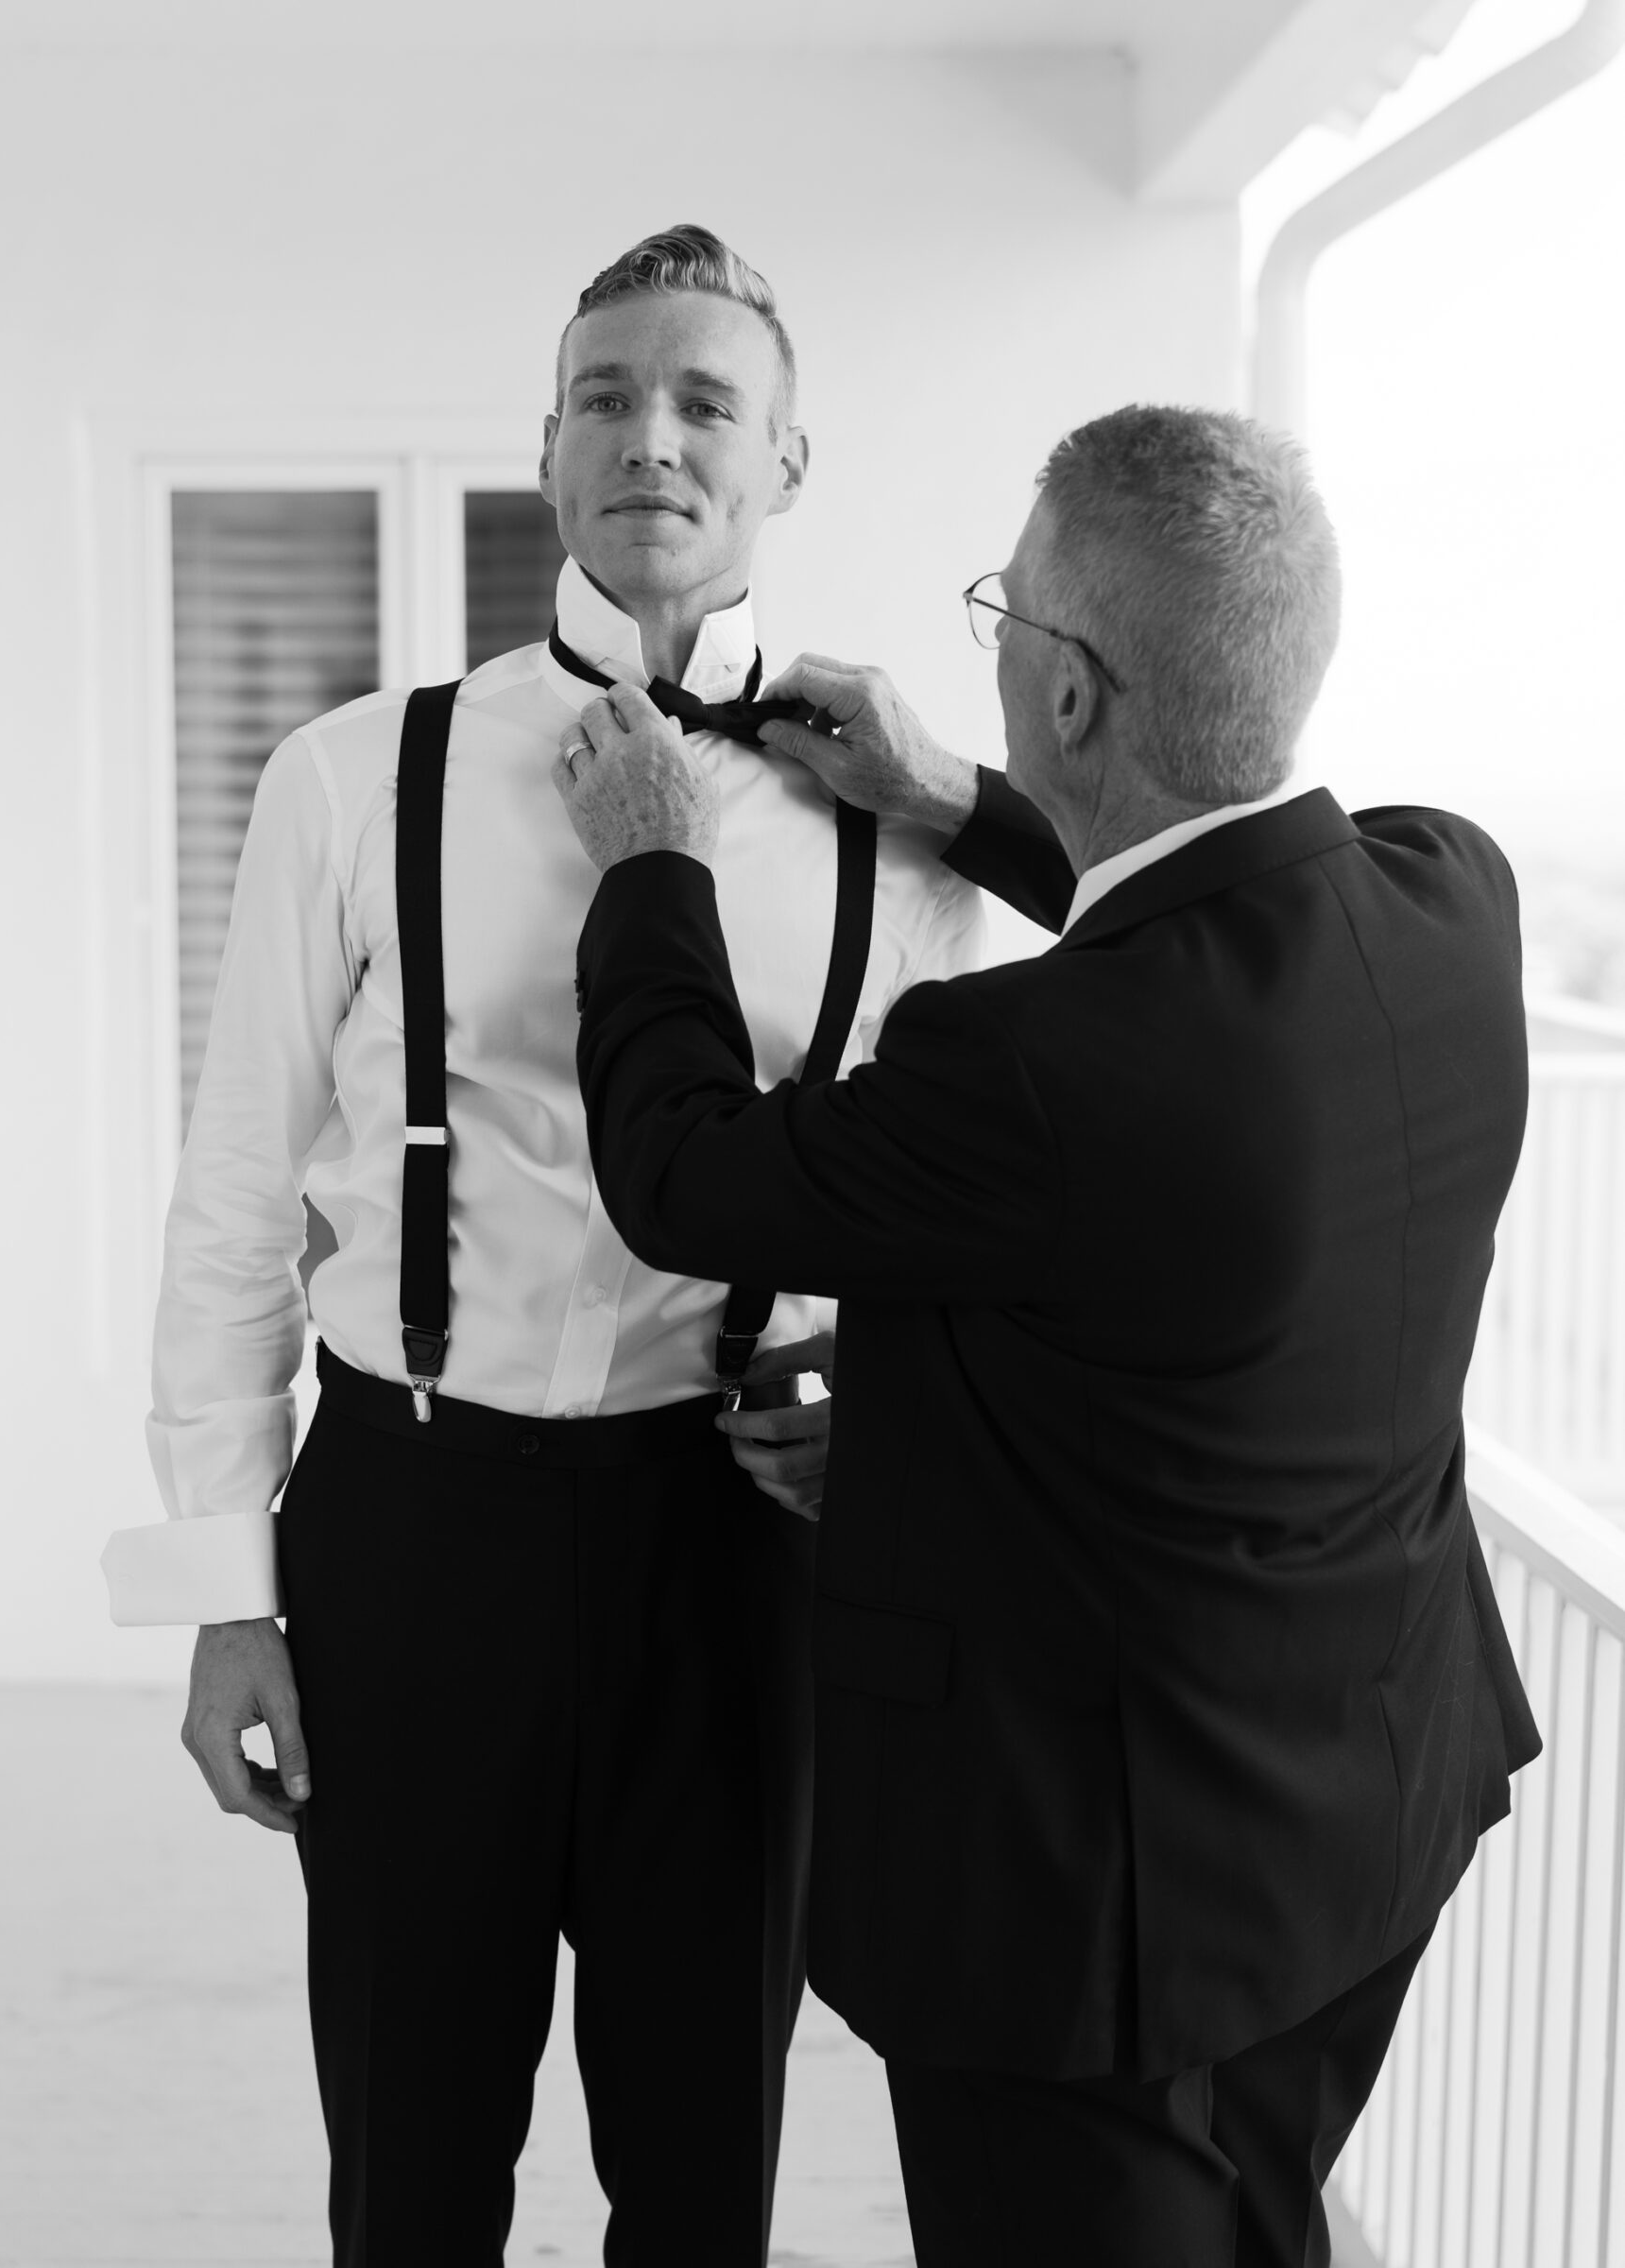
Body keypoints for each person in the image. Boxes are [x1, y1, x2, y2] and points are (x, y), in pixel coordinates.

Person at [552, 404, 1542, 2268]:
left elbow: (682, 1172)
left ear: (1070, 694)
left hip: (1102, 1916)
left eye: (1007, 609)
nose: (990, 641)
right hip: (1369, 1802)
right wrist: (953, 806)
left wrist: (647, 862)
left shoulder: (1023, 1069)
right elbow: (1184, 1058)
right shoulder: (1444, 896)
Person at [99, 224, 983, 2268]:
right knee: (410, 2171)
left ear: (784, 466)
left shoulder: (899, 826)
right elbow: (238, 1187)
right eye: (606, 395)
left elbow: (956, 1199)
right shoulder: (351, 773)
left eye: (704, 403)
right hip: (413, 1526)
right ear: (547, 453)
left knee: (699, 2174)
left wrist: (884, 1418)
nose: (649, 436)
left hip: (733, 1543)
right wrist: (223, 1597)